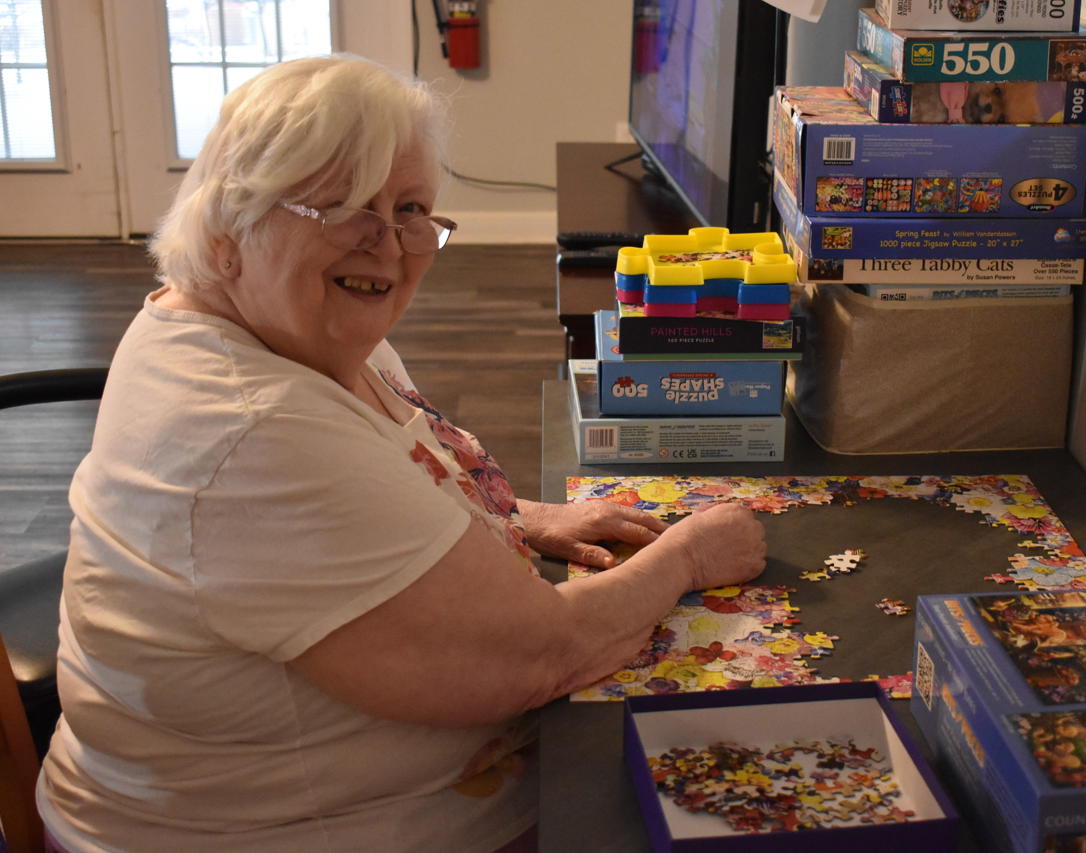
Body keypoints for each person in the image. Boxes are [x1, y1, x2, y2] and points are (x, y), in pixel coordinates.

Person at [35, 55, 767, 853]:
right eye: (343, 205)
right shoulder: (255, 430)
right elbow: (545, 653)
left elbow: (366, 502)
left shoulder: (285, 327)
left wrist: (521, 516)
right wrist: (689, 556)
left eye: (412, 207)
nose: (389, 245)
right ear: (228, 226)